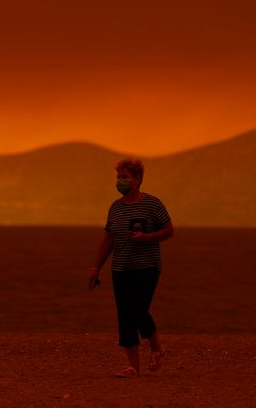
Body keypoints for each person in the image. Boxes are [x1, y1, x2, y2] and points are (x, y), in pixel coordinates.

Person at [88, 158, 174, 378]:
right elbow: (108, 239)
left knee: (137, 310)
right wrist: (96, 267)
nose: (120, 181)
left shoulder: (152, 204)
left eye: (125, 177)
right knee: (125, 315)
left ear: (137, 179)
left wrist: (147, 237)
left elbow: (168, 230)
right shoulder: (115, 208)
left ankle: (156, 347)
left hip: (147, 267)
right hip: (121, 268)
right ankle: (133, 367)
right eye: (118, 177)